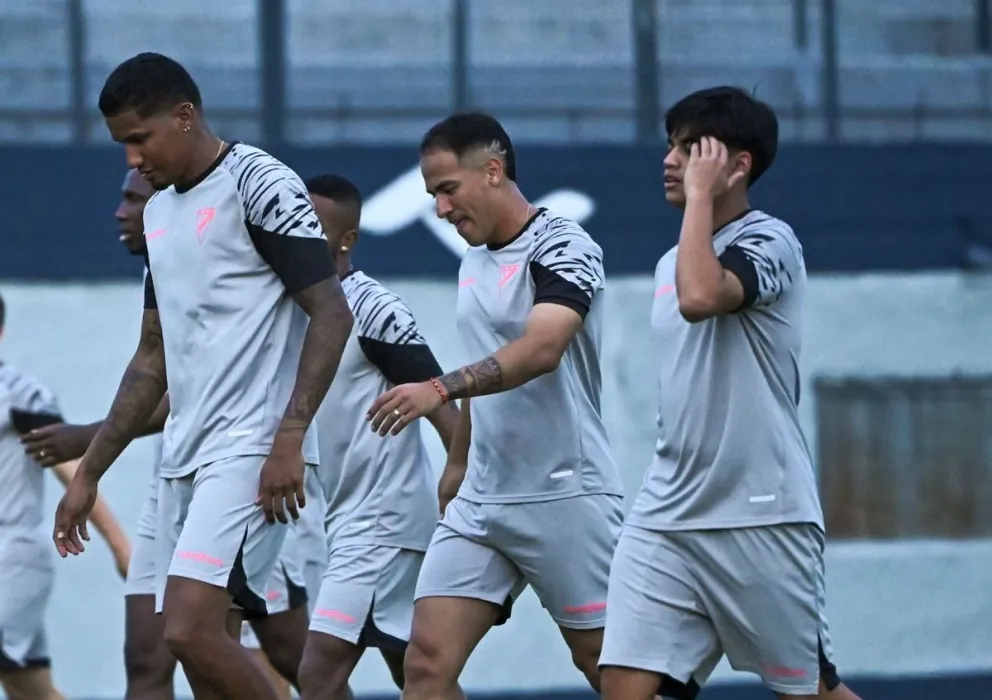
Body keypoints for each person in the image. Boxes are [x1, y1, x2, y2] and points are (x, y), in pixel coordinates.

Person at [52, 52, 353, 700]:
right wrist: (91, 473)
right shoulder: (159, 214)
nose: (132, 159)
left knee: (189, 631)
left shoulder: (258, 183)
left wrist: (290, 436)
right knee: (198, 661)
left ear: (185, 115)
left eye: (140, 138)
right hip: (184, 458)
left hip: (253, 450)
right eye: (122, 144)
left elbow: (331, 312)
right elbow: (150, 358)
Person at [597, 86, 861, 700]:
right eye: (670, 146)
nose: (671, 161)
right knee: (623, 687)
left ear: (738, 165)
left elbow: (702, 297)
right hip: (667, 512)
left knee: (811, 693)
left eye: (692, 148)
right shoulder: (671, 261)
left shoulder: (772, 242)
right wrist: (696, 200)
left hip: (761, 512)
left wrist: (697, 197)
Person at [367, 112, 639, 700]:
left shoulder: (563, 244)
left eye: (448, 190)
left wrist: (438, 389)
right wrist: (457, 465)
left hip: (565, 493)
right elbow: (486, 364)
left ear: (493, 171)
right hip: (481, 502)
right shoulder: (474, 258)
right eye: (433, 196)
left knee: (610, 671)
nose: (441, 209)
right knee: (426, 664)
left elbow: (542, 349)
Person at [24, 169, 321, 700]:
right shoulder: (163, 261)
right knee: (154, 656)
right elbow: (162, 372)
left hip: (247, 468)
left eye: (133, 199)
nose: (121, 212)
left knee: (254, 647)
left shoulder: (243, 226)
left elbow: (318, 324)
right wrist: (91, 468)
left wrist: (89, 438)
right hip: (177, 474)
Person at [295, 174, 460, 700]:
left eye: (314, 226)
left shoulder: (372, 309)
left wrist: (462, 485)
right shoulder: (292, 310)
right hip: (348, 523)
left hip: (383, 525)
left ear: (347, 240)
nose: (299, 234)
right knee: (417, 676)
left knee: (317, 676)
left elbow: (444, 406)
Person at [0, 292, 131, 700]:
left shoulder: (18, 394)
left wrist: (120, 547)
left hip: (10, 554)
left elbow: (73, 472)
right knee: (28, 685)